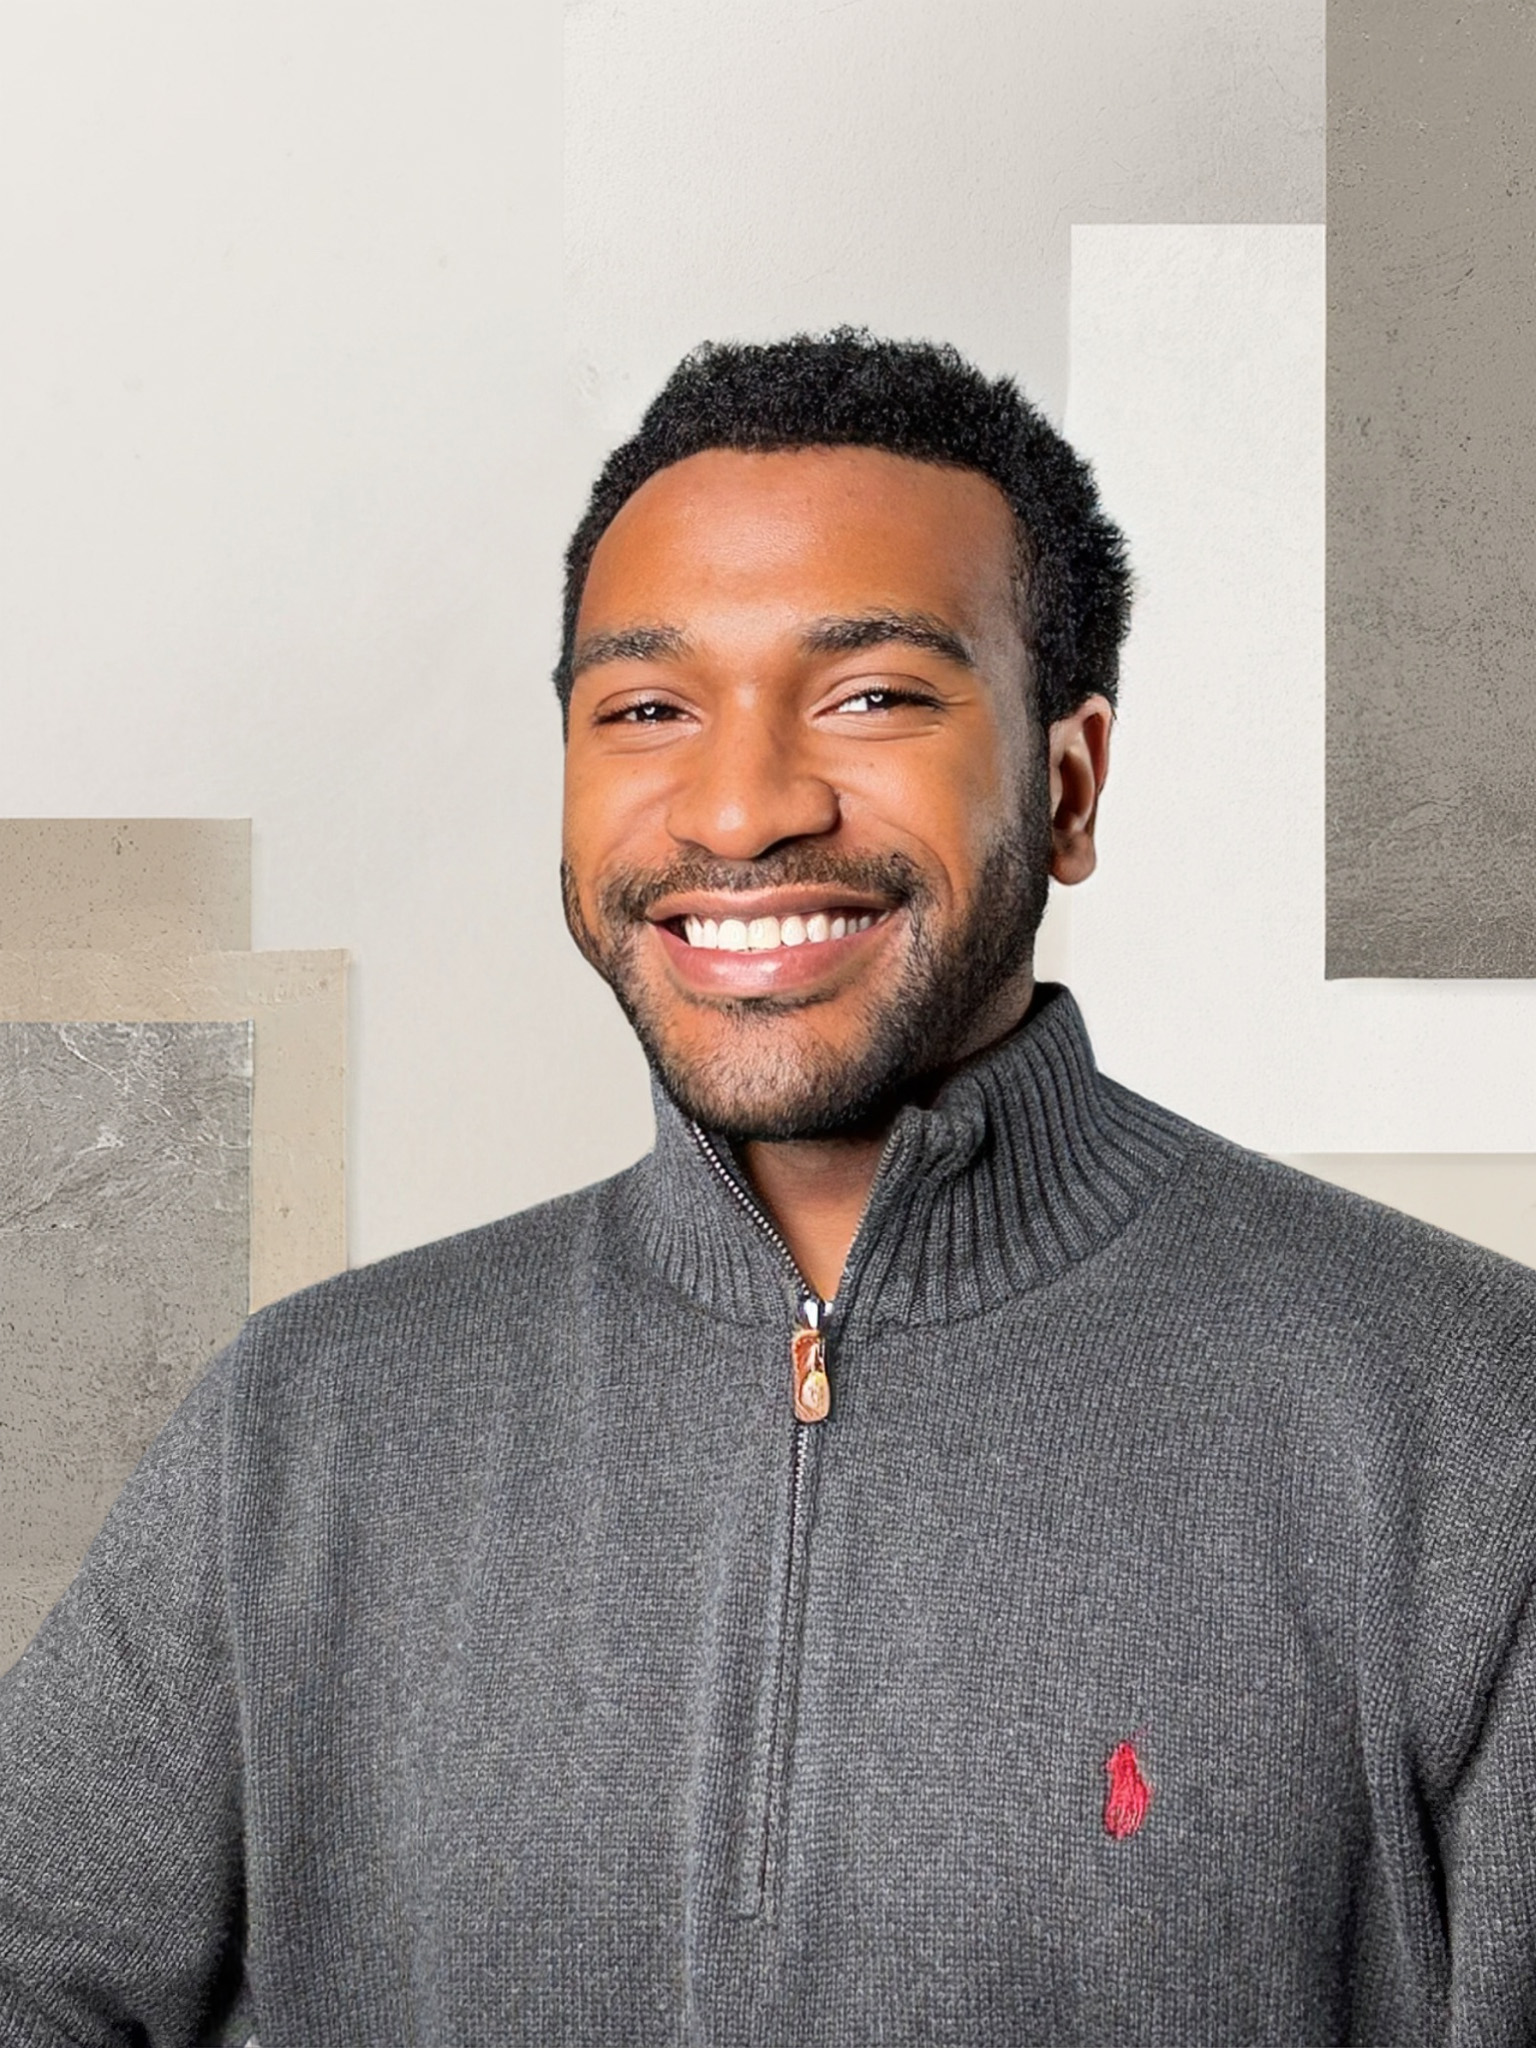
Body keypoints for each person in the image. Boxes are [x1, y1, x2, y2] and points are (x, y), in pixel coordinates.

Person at [2, 330, 1534, 2047]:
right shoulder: (305, 1423)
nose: (739, 809)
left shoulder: (1466, 1413)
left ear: (1070, 778)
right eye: (647, 710)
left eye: (872, 695)